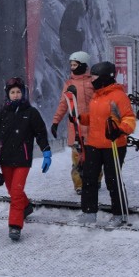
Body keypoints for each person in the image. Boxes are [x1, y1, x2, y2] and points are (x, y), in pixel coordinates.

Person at [0, 76, 52, 241]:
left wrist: (46, 151)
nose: (16, 95)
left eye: (18, 92)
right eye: (13, 92)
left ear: (23, 93)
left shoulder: (31, 113)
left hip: (23, 159)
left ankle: (15, 226)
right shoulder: (1, 113)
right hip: (5, 159)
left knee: (16, 192)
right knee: (12, 191)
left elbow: (40, 133)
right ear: (8, 94)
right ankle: (26, 207)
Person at [78, 62, 136, 226]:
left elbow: (129, 119)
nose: (92, 80)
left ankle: (119, 214)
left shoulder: (118, 96)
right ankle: (89, 212)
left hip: (114, 145)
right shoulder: (97, 95)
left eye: (95, 77)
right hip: (94, 144)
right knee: (89, 178)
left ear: (104, 77)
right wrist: (81, 118)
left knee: (113, 180)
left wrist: (120, 130)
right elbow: (94, 118)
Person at [50, 51, 94, 195]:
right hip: (75, 128)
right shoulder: (69, 83)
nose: (72, 67)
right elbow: (64, 104)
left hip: (93, 126)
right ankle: (79, 183)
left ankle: (96, 179)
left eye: (75, 65)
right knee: (77, 157)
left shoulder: (92, 82)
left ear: (83, 65)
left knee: (94, 156)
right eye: (71, 65)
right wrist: (56, 121)